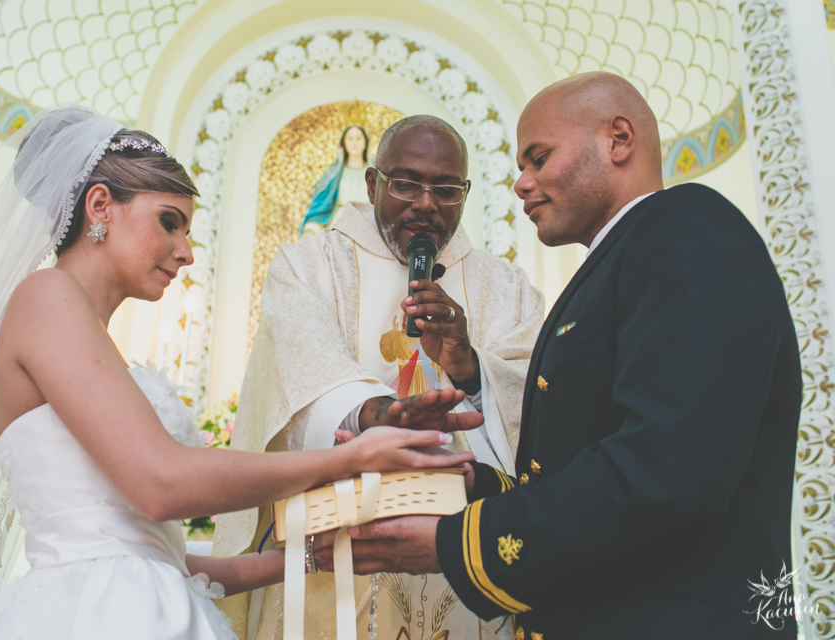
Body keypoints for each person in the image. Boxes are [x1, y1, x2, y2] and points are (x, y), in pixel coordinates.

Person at [0, 106, 474, 640]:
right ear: (100, 206)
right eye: (169, 222)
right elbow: (161, 483)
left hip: (146, 602)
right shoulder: (44, 297)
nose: (186, 251)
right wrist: (354, 458)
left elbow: (170, 562)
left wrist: (323, 553)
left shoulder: (87, 334)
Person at [330, 72, 802, 639]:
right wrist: (470, 480)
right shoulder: (618, 260)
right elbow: (578, 458)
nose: (521, 183)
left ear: (619, 139)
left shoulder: (687, 227)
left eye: (539, 157)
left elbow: (668, 470)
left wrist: (456, 544)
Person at [214, 115, 544, 640]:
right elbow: (298, 373)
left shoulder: (503, 287)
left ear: (465, 193)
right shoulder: (309, 266)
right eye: (407, 183)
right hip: (334, 552)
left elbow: (539, 403)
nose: (426, 203)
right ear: (373, 184)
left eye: (446, 188)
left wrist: (471, 366)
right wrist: (375, 414)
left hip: (458, 555)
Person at [299, 125, 371, 236]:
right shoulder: (333, 174)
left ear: (365, 142)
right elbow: (321, 206)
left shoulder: (376, 174)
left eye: (358, 138)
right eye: (350, 139)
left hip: (366, 227)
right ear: (344, 143)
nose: (354, 143)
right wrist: (310, 229)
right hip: (337, 227)